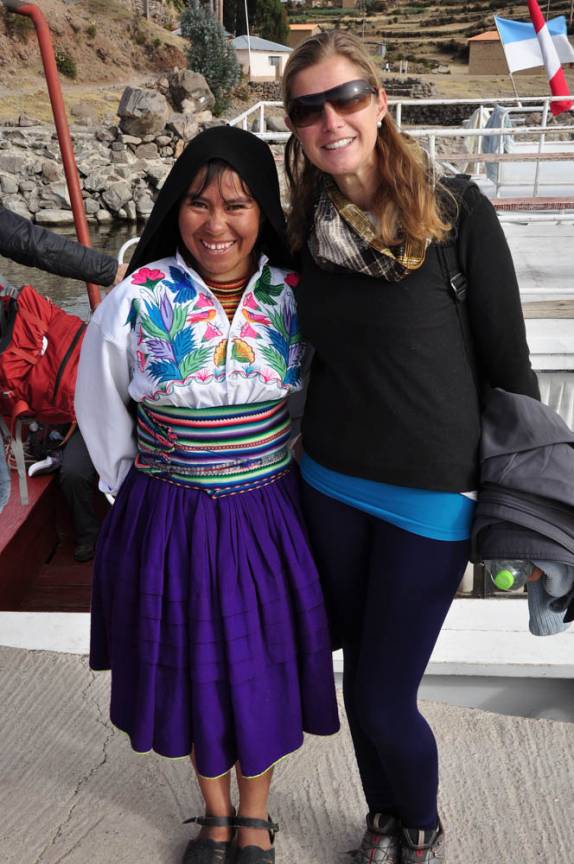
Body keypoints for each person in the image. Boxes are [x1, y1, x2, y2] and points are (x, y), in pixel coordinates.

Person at [282, 31, 539, 864]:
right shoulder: (305, 227)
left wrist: (525, 509)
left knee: (387, 694)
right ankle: (382, 818)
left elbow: (508, 363)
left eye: (347, 96)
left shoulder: (456, 208)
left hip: (431, 498)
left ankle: (420, 825)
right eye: (309, 107)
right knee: (360, 681)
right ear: (296, 126)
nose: (331, 118)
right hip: (329, 485)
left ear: (380, 101)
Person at [74, 126, 340, 864]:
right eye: (197, 203)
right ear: (176, 207)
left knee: (258, 662)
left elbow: (325, 399)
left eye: (236, 205)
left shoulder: (296, 297)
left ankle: (255, 816)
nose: (215, 223)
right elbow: (100, 412)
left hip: (267, 512)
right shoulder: (138, 297)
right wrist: (143, 492)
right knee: (194, 661)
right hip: (168, 510)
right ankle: (215, 814)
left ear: (264, 216)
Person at [0, 208, 126, 551]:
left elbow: (31, 242)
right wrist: (112, 271)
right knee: (73, 472)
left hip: (101, 398)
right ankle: (91, 542)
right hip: (80, 406)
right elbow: (31, 243)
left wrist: (111, 271)